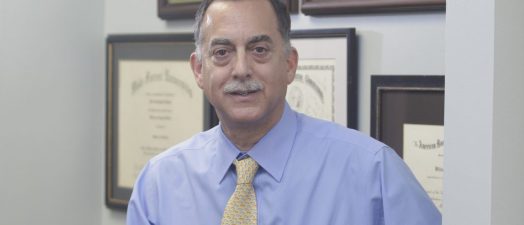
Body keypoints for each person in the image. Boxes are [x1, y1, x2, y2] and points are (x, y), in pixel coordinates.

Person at [126, 0, 442, 224]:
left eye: (259, 50)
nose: (241, 69)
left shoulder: (374, 173)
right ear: (198, 70)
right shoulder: (160, 183)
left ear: (289, 64)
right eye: (222, 53)